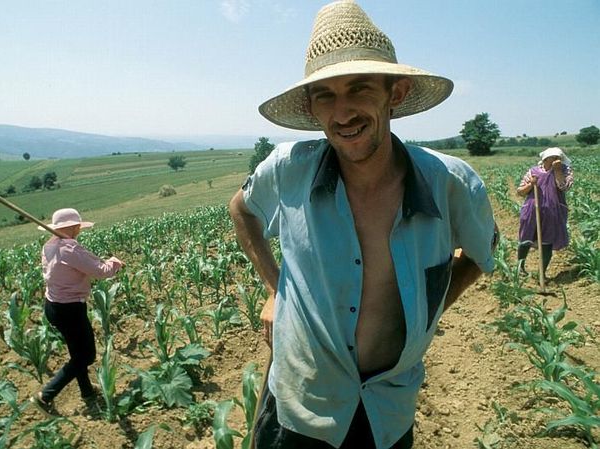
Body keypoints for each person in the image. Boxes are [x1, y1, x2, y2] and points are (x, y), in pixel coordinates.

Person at [228, 2, 499, 448]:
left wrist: (428, 313)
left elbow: (480, 250)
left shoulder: (451, 185)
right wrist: (277, 289)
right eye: (325, 95)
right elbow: (241, 209)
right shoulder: (287, 170)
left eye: (359, 89)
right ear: (312, 109)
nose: (343, 112)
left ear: (395, 93)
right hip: (300, 406)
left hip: (386, 411)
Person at [30, 208, 124, 415]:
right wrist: (115, 263)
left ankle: (87, 391)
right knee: (86, 355)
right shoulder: (69, 249)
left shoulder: (50, 246)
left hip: (53, 306)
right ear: (73, 227)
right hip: (70, 309)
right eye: (78, 226)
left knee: (77, 352)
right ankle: (46, 394)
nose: (80, 229)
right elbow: (100, 271)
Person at [516, 147, 573, 279]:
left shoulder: (565, 170)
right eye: (553, 158)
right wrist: (531, 184)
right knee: (525, 239)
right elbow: (520, 191)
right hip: (532, 209)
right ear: (546, 159)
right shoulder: (533, 172)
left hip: (553, 211)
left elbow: (564, 187)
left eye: (558, 158)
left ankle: (542, 273)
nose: (556, 160)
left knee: (547, 242)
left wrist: (558, 170)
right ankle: (520, 268)